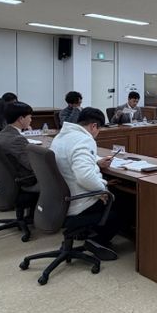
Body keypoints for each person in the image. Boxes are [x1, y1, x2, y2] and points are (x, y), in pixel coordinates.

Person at [50, 107, 119, 260]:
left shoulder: (62, 136)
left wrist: (96, 161)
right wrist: (103, 189)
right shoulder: (85, 139)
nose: (97, 133)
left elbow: (71, 156)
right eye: (99, 129)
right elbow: (85, 176)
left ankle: (90, 234)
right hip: (78, 200)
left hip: (60, 199)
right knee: (123, 203)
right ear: (94, 126)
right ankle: (97, 241)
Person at [0, 101, 38, 192]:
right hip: (25, 178)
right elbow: (31, 165)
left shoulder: (1, 134)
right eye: (30, 117)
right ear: (21, 119)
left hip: (7, 177)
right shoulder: (17, 140)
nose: (31, 120)